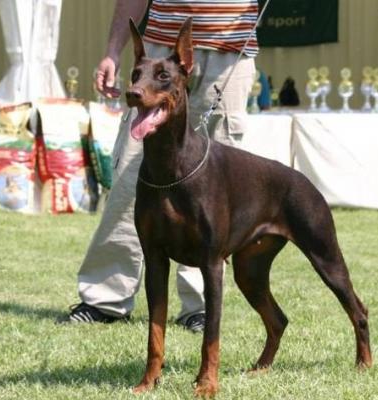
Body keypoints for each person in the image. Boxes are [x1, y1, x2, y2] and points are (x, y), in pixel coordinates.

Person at [61, 0, 258, 331]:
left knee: (212, 190)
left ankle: (198, 305)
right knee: (129, 174)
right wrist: (113, 50)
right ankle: (105, 297)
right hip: (160, 51)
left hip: (229, 48)